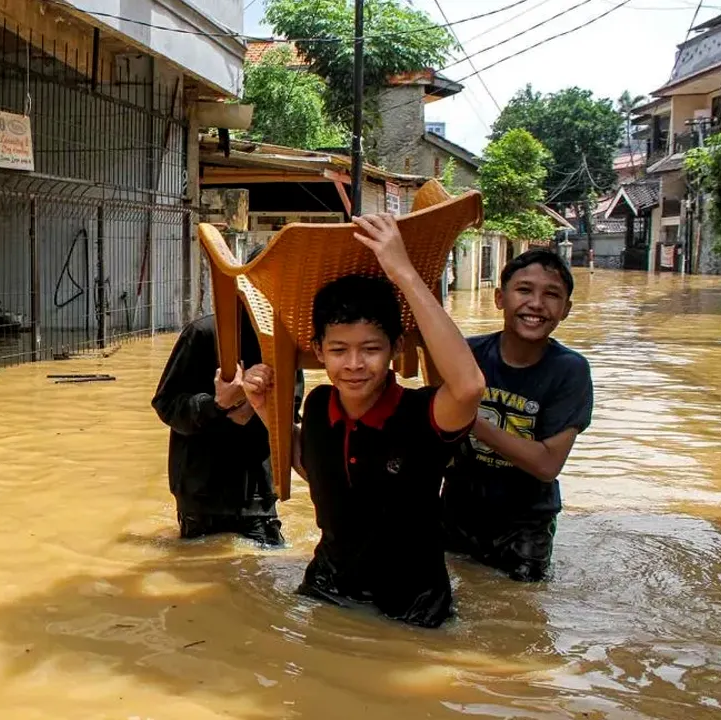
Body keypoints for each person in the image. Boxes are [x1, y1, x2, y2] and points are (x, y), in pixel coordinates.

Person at [241, 213, 485, 628]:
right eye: (338, 350)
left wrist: (403, 271)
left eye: (370, 348)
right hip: (327, 589)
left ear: (395, 347)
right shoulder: (318, 406)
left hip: (412, 605)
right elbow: (315, 467)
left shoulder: (423, 414)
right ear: (318, 350)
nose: (354, 364)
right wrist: (265, 408)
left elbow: (468, 387)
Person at [442, 249, 593, 582]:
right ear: (499, 298)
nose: (536, 303)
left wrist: (470, 421)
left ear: (566, 310)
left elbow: (546, 464)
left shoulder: (570, 371)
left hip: (526, 525)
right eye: (524, 290)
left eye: (551, 295)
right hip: (457, 511)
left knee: (522, 617)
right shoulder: (466, 354)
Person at [151, 252, 302, 548]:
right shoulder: (203, 333)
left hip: (257, 492)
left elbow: (291, 410)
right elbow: (167, 404)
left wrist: (251, 405)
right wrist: (218, 403)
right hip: (201, 492)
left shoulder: (285, 340)